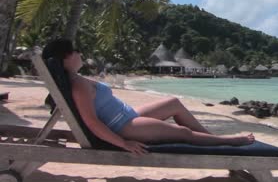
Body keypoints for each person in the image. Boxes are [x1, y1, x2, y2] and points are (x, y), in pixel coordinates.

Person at [43, 39, 254, 154]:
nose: (80, 54)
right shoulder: (78, 84)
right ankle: (230, 142)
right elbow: (91, 122)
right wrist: (123, 143)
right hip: (124, 127)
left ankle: (212, 140)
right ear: (67, 56)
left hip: (128, 116)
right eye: (76, 51)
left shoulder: (77, 79)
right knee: (183, 132)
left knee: (174, 103)